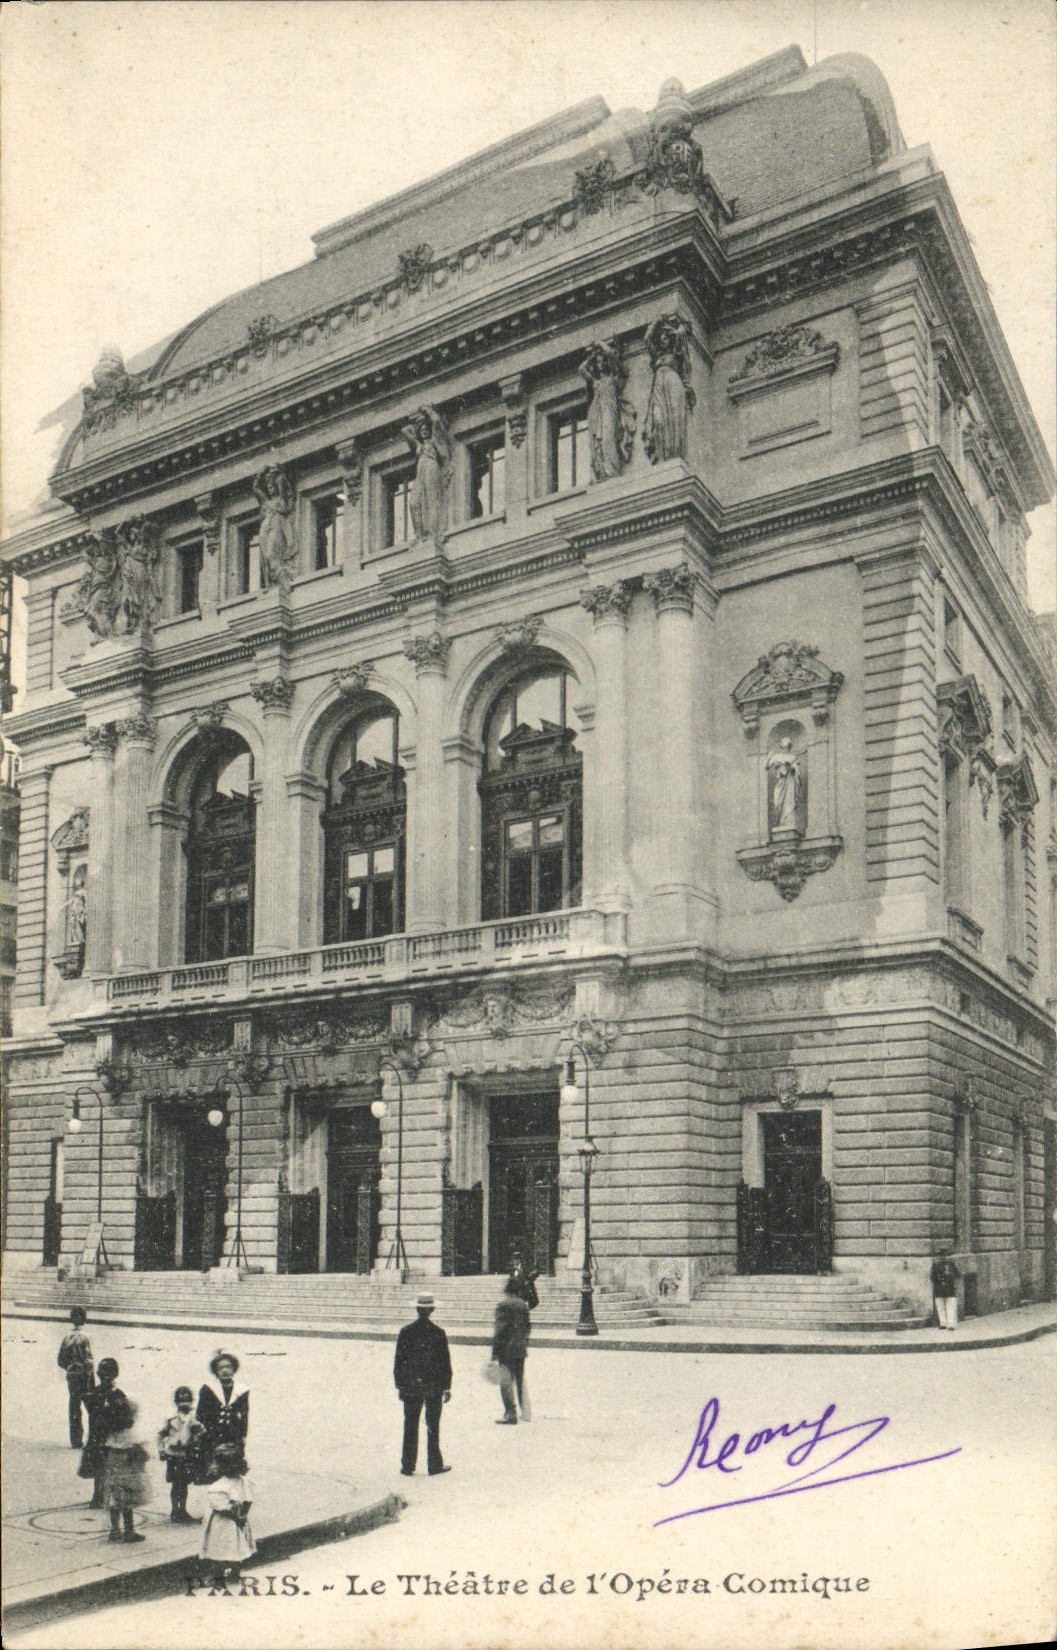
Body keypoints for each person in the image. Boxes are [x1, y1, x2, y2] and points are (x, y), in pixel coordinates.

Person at [393, 1294, 453, 1476]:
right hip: (433, 1385)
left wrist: (400, 1385)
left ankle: (407, 1465)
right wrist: (447, 1386)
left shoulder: (406, 1332)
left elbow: (399, 1362)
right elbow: (445, 1363)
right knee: (433, 1425)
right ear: (432, 1310)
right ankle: (434, 1464)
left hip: (411, 1385)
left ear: (417, 1310)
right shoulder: (438, 1333)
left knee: (410, 1425)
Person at [199, 1443, 256, 1581]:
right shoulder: (245, 1482)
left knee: (220, 1548)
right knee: (237, 1546)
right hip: (239, 1518)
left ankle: (217, 1575)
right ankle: (234, 1573)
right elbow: (248, 1501)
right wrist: (241, 1517)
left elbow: (222, 1507)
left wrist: (234, 1515)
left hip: (222, 1523)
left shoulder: (218, 1486)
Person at [78, 1357, 127, 1510]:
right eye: (102, 1372)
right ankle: (98, 1495)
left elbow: (123, 1417)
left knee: (107, 1467)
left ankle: (101, 1495)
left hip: (107, 1435)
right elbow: (90, 1408)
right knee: (99, 1467)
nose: (105, 1376)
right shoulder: (98, 1392)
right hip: (98, 1435)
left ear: (115, 1374)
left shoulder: (114, 1394)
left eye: (108, 1372)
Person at [102, 1397, 150, 1543]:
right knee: (128, 1504)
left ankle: (114, 1530)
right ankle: (129, 1531)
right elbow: (141, 1454)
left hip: (113, 1472)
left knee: (114, 1502)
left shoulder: (110, 1434)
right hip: (129, 1474)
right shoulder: (130, 1435)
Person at [158, 1386, 206, 1522]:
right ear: (176, 1402)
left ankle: (182, 1510)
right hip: (173, 1454)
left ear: (191, 1401)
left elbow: (202, 1431)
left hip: (186, 1453)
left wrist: (197, 1436)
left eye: (187, 1400)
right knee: (175, 1483)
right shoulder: (170, 1418)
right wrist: (161, 1450)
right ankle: (175, 1510)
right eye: (180, 1400)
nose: (184, 1403)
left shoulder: (193, 1418)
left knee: (184, 1483)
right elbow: (160, 1435)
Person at [196, 1351, 249, 1463]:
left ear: (234, 1369)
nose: (225, 1371)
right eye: (220, 1368)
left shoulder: (242, 1390)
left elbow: (244, 1415)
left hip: (232, 1437)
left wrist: (242, 1435)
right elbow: (200, 1414)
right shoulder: (208, 1389)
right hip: (211, 1435)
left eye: (228, 1367)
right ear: (216, 1371)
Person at [492, 1276, 531, 1425]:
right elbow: (528, 1328)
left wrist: (494, 1352)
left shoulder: (503, 1305)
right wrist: (523, 1343)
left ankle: (510, 1413)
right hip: (520, 1349)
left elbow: (500, 1330)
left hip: (506, 1350)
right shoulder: (523, 1305)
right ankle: (525, 1412)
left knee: (506, 1382)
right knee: (520, 1380)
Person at [57, 1306, 94, 1449]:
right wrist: (88, 1374)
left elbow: (60, 1359)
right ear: (84, 1319)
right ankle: (94, 1438)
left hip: (72, 1376)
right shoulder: (86, 1337)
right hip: (85, 1376)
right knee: (91, 1407)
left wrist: (70, 1368)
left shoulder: (67, 1337)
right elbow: (89, 1359)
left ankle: (76, 1440)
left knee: (74, 1407)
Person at [931, 1250, 961, 1331]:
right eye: (941, 1256)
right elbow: (932, 1277)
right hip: (939, 1289)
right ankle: (943, 1323)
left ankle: (950, 1324)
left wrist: (955, 1285)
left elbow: (957, 1275)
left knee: (950, 1307)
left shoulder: (951, 1265)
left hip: (950, 1289)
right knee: (940, 1307)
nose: (943, 1258)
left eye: (944, 1256)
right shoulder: (935, 1266)